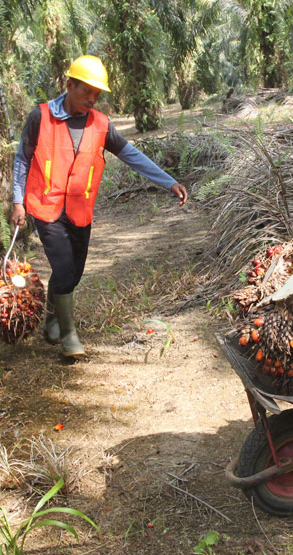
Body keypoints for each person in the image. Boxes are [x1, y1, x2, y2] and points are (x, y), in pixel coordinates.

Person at [11, 55, 188, 358]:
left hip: (80, 210)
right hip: (45, 205)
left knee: (73, 272)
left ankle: (53, 318)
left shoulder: (101, 124)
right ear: (69, 85)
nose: (92, 99)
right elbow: (22, 159)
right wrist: (17, 201)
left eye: (97, 94)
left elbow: (131, 155)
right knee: (64, 267)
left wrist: (168, 181)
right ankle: (69, 337)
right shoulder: (40, 117)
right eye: (86, 91)